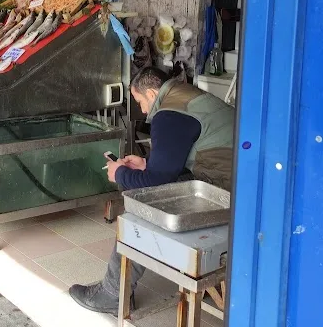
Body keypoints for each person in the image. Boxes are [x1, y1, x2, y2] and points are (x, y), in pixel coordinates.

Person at [69, 67, 235, 316]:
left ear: (151, 93)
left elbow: (154, 183)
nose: (144, 111)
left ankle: (113, 294)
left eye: (140, 102)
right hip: (241, 182)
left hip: (226, 190)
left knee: (143, 207)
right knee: (152, 193)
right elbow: (176, 160)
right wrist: (147, 163)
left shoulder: (168, 115)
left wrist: (119, 173)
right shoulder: (187, 96)